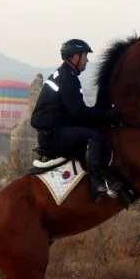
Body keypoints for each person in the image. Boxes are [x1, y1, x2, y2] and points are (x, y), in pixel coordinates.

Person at [31, 39, 121, 202]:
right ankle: (96, 184)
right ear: (75, 57)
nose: (87, 60)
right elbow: (79, 113)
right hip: (52, 134)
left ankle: (102, 177)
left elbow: (76, 113)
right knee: (94, 136)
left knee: (91, 133)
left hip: (54, 130)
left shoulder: (65, 74)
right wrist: (109, 115)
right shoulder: (67, 78)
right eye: (85, 56)